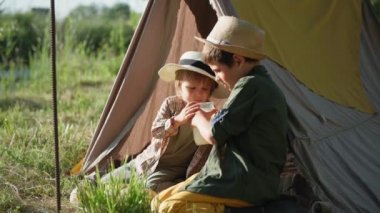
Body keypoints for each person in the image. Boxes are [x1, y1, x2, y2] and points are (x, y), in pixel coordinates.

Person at [151, 16, 289, 212]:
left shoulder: (250, 85)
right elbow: (229, 126)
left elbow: (213, 134)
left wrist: (198, 117)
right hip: (230, 176)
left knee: (171, 207)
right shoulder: (259, 84)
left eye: (217, 70)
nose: (216, 78)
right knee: (158, 201)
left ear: (238, 61)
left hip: (242, 181)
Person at [70, 51, 228, 204]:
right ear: (179, 87)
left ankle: (133, 196)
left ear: (210, 92)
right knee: (110, 179)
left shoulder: (210, 112)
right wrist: (177, 121)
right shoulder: (171, 105)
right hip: (147, 159)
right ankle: (95, 187)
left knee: (149, 187)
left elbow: (213, 144)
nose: (198, 95)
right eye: (191, 88)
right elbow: (156, 131)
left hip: (172, 169)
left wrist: (211, 120)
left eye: (204, 89)